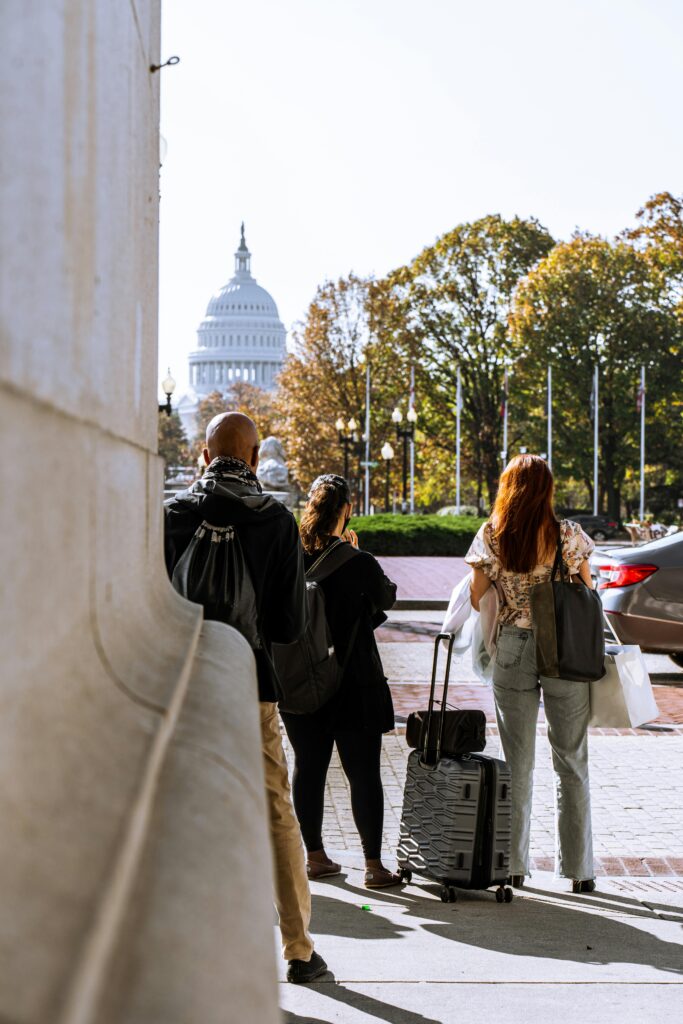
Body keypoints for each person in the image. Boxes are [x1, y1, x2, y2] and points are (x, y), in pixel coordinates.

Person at [164, 412, 327, 984]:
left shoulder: (173, 516)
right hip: (251, 684)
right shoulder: (277, 522)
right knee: (276, 812)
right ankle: (299, 949)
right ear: (257, 458)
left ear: (203, 457)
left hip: (185, 688)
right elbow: (286, 626)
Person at [465, 454, 596, 893]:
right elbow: (588, 591)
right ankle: (579, 870)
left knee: (516, 764)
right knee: (571, 759)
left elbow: (475, 596)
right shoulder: (567, 535)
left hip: (513, 647)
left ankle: (513, 865)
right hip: (563, 648)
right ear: (547, 490)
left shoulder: (492, 535)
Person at [280, 475, 401, 889]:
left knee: (308, 768)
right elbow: (386, 598)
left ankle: (314, 857)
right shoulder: (357, 561)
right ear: (346, 509)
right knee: (364, 772)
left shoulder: (291, 556)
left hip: (301, 681)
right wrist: (355, 551)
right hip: (354, 682)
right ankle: (373, 866)